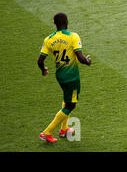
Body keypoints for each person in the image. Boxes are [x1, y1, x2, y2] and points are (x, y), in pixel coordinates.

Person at [37, 12, 91, 143]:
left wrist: (44, 70)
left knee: (67, 99)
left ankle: (64, 129)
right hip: (71, 77)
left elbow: (40, 60)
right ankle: (47, 132)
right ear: (67, 22)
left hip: (60, 75)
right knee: (71, 105)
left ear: (55, 24)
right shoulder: (73, 36)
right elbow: (81, 58)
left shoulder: (49, 39)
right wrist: (88, 61)